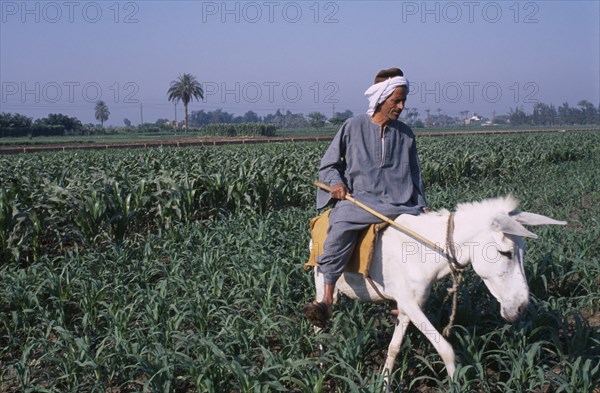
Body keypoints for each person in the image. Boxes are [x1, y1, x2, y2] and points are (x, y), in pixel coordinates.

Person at [303, 67, 428, 328]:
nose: (402, 106)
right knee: (338, 230)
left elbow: (415, 175)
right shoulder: (353, 126)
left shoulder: (406, 134)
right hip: (359, 200)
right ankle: (326, 298)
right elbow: (328, 166)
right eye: (397, 100)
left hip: (401, 203)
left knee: (425, 241)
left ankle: (404, 300)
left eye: (404, 100)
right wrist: (336, 184)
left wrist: (422, 205)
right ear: (380, 99)